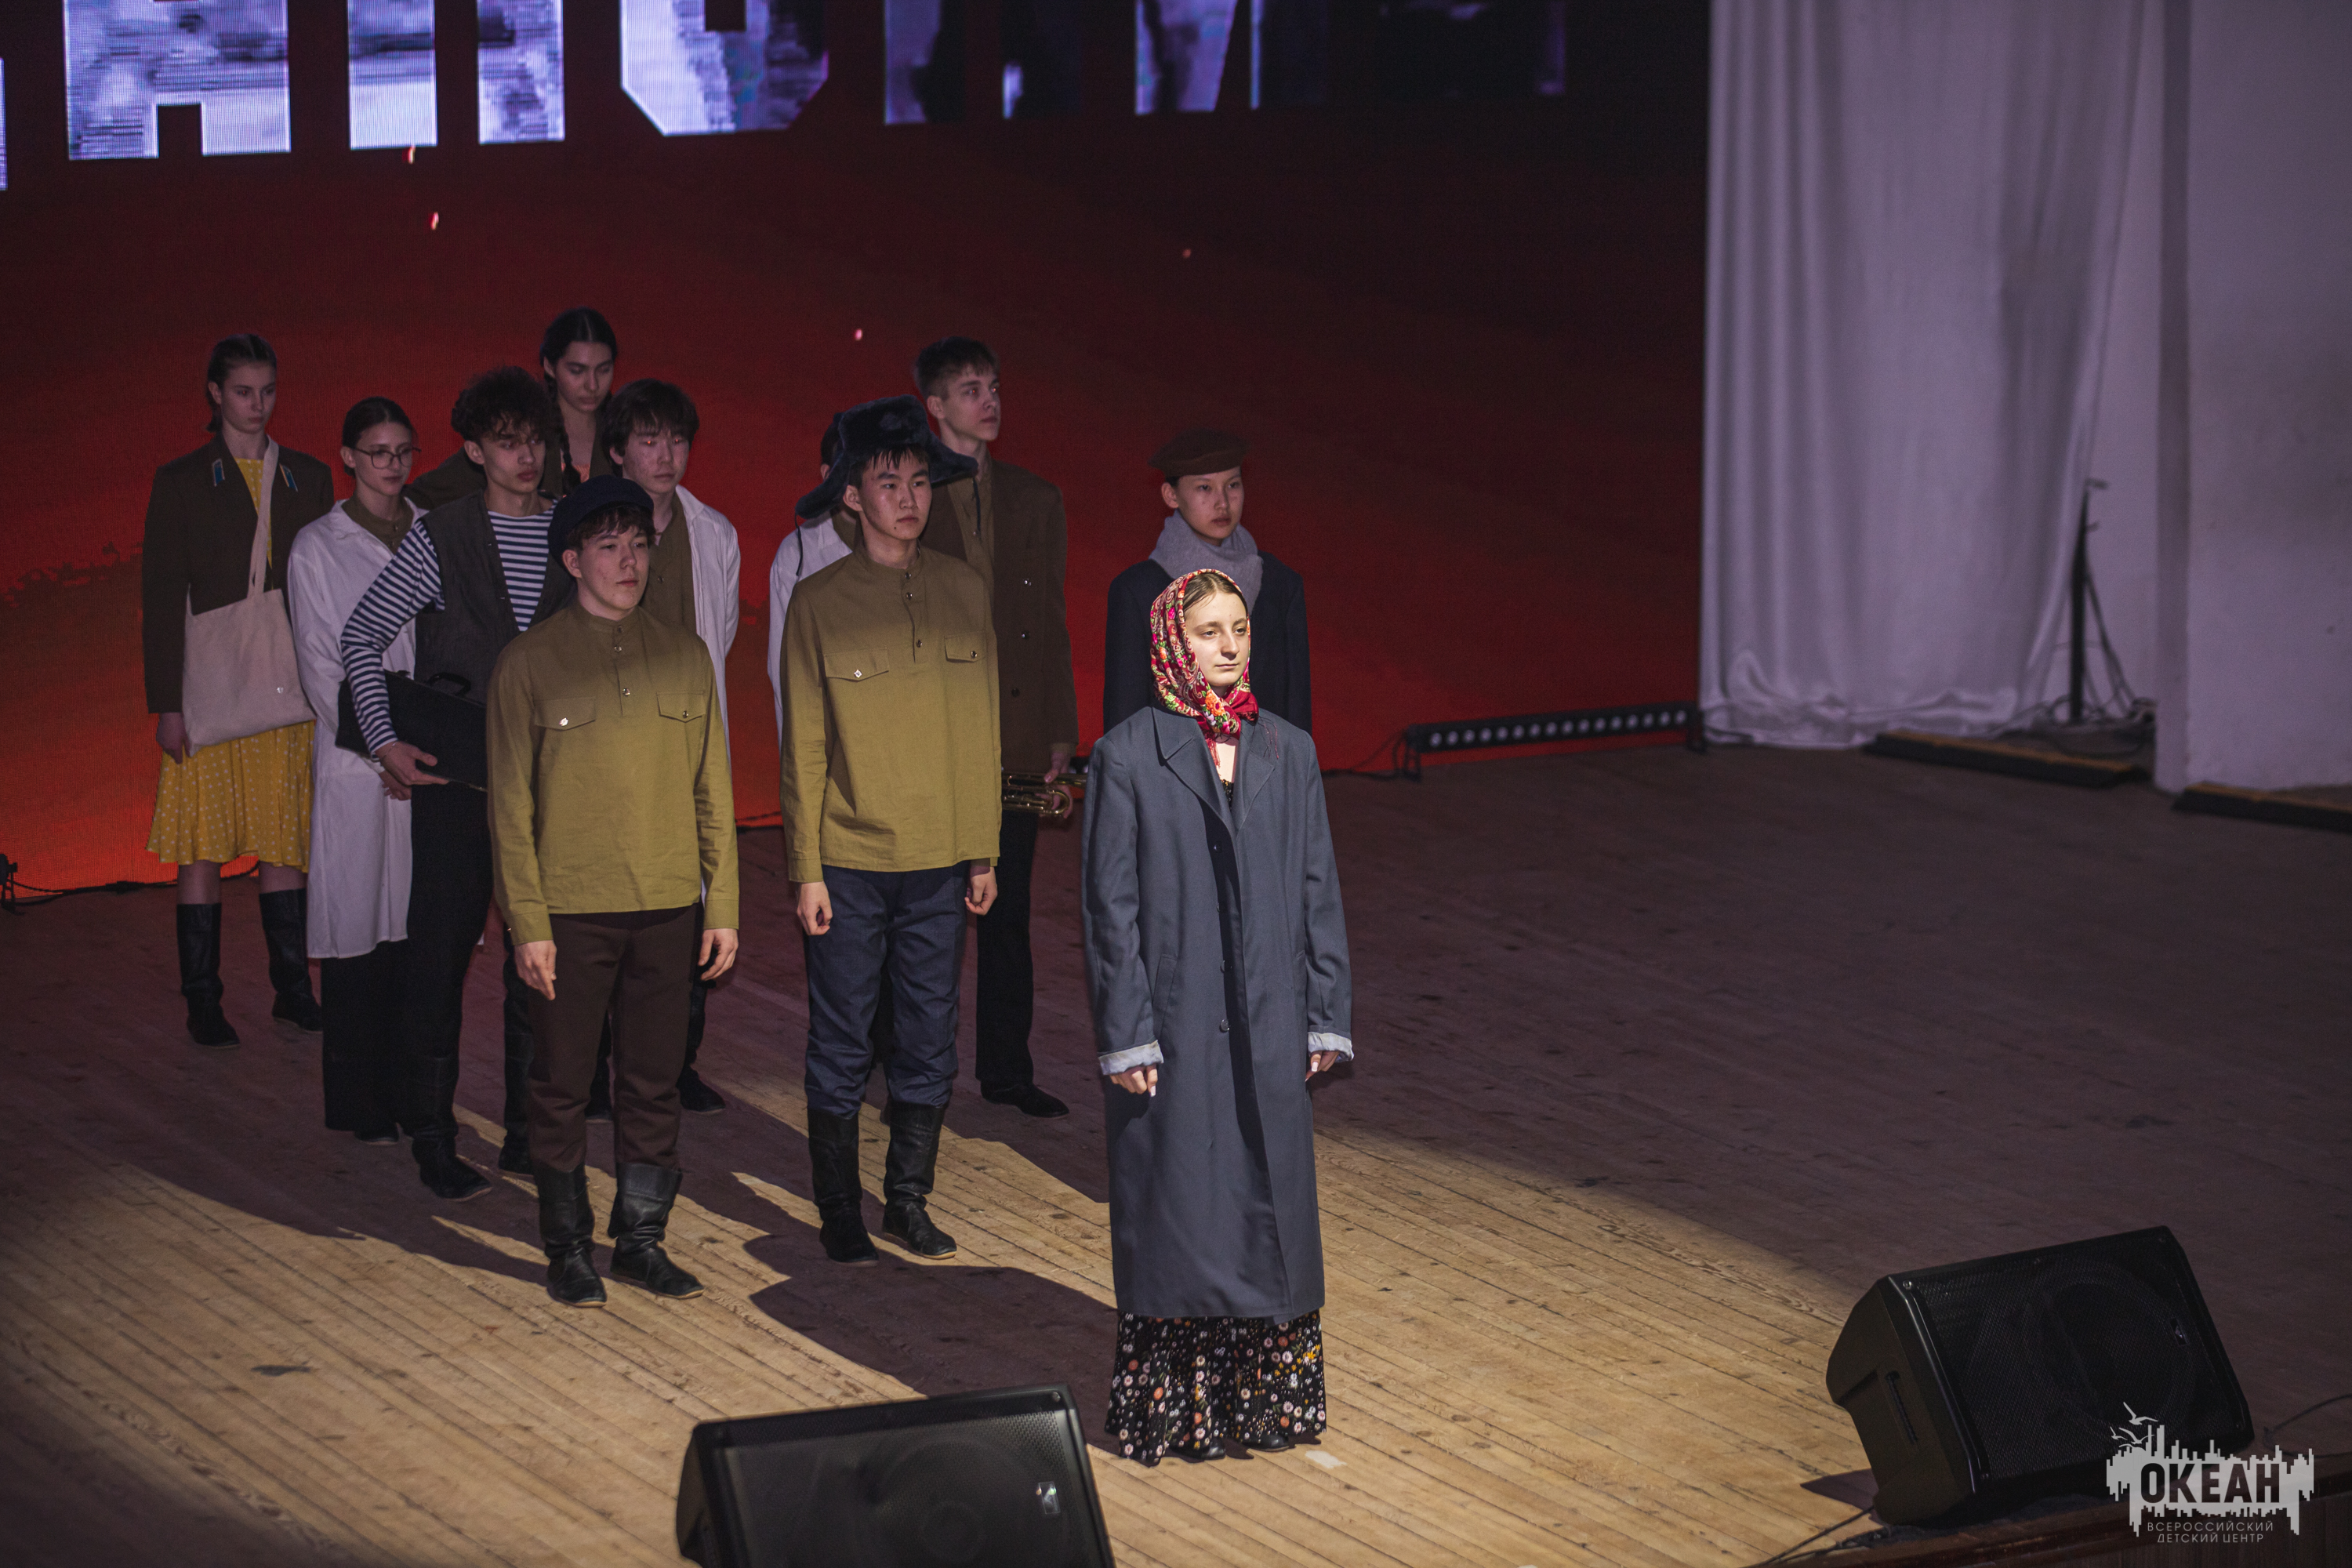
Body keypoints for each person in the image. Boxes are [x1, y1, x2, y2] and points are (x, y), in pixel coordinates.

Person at [1082, 568, 1353, 1465]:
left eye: (1238, 627)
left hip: (1270, 1014)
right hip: (1177, 1021)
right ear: (1173, 642)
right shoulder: (1128, 755)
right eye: (1209, 631)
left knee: (1267, 1207)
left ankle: (1264, 1404)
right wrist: (1127, 1030)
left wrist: (1324, 1011)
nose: (1229, 645)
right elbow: (1111, 909)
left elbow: (1317, 886)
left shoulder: (1289, 750)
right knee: (1185, 1213)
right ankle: (1182, 1408)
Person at [489, 475, 741, 1308]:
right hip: (570, 911)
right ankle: (567, 1247)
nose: (629, 561)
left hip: (669, 906)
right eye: (608, 547)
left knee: (653, 1082)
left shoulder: (686, 654)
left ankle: (640, 1241)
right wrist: (527, 923)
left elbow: (714, 791)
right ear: (572, 561)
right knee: (561, 1085)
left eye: (638, 545)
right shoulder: (529, 662)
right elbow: (509, 807)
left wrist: (723, 907)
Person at [779, 395, 996, 1265]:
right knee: (841, 1037)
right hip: (849, 858)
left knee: (930, 1035)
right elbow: (804, 745)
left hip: (941, 860)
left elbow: (981, 731)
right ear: (852, 497)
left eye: (919, 482)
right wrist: (805, 868)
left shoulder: (964, 589)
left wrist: (983, 849)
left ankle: (908, 1199)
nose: (908, 498)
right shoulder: (817, 602)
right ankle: (839, 1208)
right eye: (888, 483)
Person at [342, 366, 568, 1200]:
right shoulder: (440, 535)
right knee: (438, 959)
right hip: (458, 773)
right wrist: (384, 740)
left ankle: (527, 1135)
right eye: (506, 442)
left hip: (549, 777)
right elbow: (360, 635)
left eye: (534, 440)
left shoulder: (570, 529)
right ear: (474, 450)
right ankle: (432, 1136)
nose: (524, 457)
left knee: (539, 961)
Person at [555, 378, 743, 1117]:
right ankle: (596, 1068)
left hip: (683, 743)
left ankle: (676, 1061)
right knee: (606, 908)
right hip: (606, 749)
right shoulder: (587, 531)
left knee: (685, 906)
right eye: (649, 439)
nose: (667, 455)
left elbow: (720, 634)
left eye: (678, 440)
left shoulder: (714, 533)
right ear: (617, 449)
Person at [142, 333, 333, 1047]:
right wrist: (168, 705)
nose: (258, 405)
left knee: (284, 840)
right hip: (213, 690)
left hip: (286, 689)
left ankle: (293, 990)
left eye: (268, 391)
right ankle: (203, 999)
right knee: (202, 845)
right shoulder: (183, 480)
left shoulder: (308, 476)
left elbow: (324, 591)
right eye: (244, 391)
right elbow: (162, 598)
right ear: (215, 393)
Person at [915, 336, 1079, 1120]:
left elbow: (1050, 620)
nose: (990, 401)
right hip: (933, 737)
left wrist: (1059, 730)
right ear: (935, 406)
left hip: (1013, 731)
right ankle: (914, 1071)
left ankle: (1007, 1070)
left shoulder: (1035, 497)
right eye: (971, 389)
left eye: (995, 386)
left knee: (1007, 912)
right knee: (928, 916)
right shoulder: (905, 493)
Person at [285, 397, 426, 1143]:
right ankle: (359, 1103)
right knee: (357, 934)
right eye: (377, 452)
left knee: (415, 936)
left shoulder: (432, 533)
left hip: (427, 756)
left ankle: (413, 1095)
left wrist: (422, 745)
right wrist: (380, 746)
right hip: (357, 760)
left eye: (403, 451)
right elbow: (321, 664)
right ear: (348, 458)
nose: (392, 465)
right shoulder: (316, 547)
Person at [1103, 430, 1311, 734]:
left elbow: (1297, 722)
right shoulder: (1139, 592)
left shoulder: (1280, 585)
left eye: (1233, 485)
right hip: (1171, 763)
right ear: (1171, 495)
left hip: (1263, 761)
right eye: (1205, 488)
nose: (1223, 502)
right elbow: (1124, 726)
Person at [405, 307, 617, 510]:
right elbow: (423, 497)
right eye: (577, 371)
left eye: (604, 370)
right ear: (550, 366)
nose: (592, 385)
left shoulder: (622, 428)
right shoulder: (519, 424)